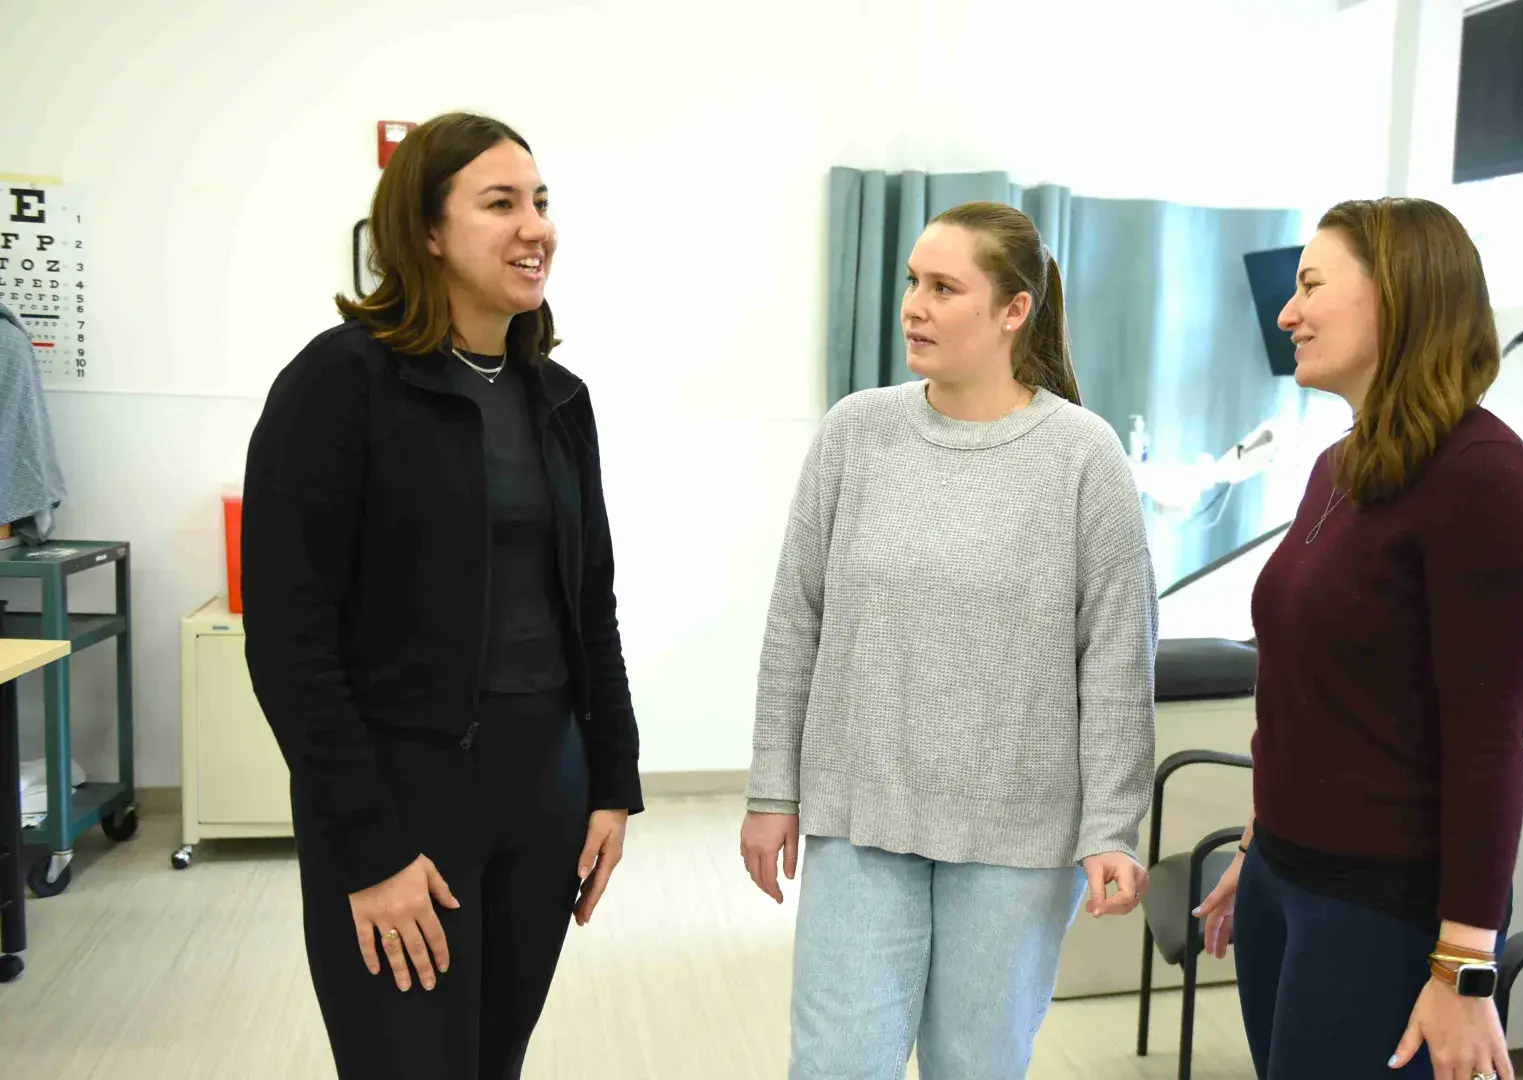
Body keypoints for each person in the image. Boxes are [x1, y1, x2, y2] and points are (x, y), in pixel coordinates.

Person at [241, 112, 643, 1079]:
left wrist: (612, 784)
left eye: (541, 202)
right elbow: (290, 639)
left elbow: (591, 604)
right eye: (499, 203)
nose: (534, 227)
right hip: (403, 795)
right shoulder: (340, 383)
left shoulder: (557, 396)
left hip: (544, 788)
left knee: (493, 1059)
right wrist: (367, 848)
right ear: (425, 231)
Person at [741, 200, 1158, 1079]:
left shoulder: (1084, 457)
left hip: (1018, 839)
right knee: (835, 1065)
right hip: (862, 819)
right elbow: (796, 622)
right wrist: (772, 788)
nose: (913, 306)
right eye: (910, 283)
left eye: (942, 287)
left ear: (1014, 310)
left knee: (977, 1066)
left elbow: (1117, 659)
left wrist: (1112, 826)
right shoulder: (856, 432)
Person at [1192, 197, 1523, 1080]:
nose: (1288, 313)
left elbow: (1488, 751)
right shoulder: (1341, 465)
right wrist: (1257, 845)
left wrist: (1465, 968)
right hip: (1285, 880)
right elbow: (1307, 694)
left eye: (1311, 286)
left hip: (1387, 914)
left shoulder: (1489, 483)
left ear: (1397, 298)